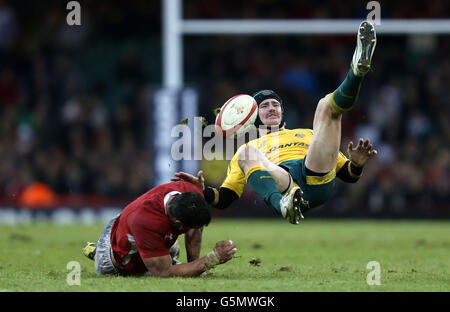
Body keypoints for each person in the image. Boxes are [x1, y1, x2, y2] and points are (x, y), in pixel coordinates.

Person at [172, 20, 378, 224]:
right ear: (252, 115)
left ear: (282, 110)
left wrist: (357, 165)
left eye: (275, 104)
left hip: (316, 174)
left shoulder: (307, 134)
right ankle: (284, 205)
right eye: (264, 106)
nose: (271, 108)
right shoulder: (248, 150)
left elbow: (348, 175)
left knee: (325, 104)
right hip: (287, 184)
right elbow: (224, 199)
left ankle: (356, 72)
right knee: (247, 153)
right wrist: (202, 190)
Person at [82, 180, 237, 277]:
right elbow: (163, 273)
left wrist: (196, 268)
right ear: (178, 222)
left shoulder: (191, 192)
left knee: (171, 249)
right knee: (168, 258)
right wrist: (213, 259)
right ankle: (96, 253)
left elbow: (194, 229)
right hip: (112, 261)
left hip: (128, 222)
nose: (198, 229)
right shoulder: (146, 222)